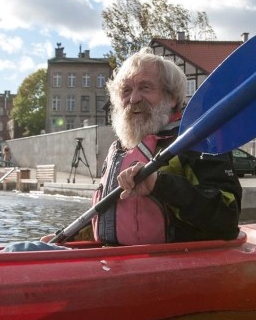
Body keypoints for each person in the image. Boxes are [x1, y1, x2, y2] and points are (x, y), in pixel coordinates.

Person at [87, 48, 242, 245]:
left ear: (172, 98)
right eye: (126, 90)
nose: (133, 99)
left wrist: (158, 184)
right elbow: (111, 216)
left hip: (177, 264)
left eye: (145, 88)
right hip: (115, 262)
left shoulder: (199, 142)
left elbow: (228, 218)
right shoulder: (118, 149)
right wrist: (69, 240)